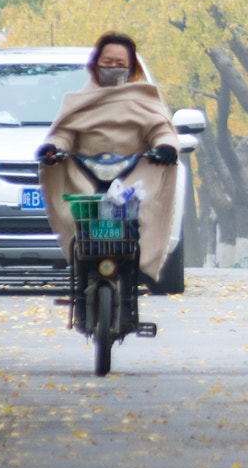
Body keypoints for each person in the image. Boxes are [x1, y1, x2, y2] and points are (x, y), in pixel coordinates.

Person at [37, 33, 180, 284]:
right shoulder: (77, 102)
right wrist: (52, 148)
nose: (113, 68)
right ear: (95, 65)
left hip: (133, 177)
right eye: (107, 62)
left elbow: (160, 130)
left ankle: (139, 265)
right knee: (77, 210)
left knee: (146, 206)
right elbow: (65, 134)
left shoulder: (145, 99)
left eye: (120, 64)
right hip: (85, 175)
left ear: (132, 67)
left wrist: (165, 146)